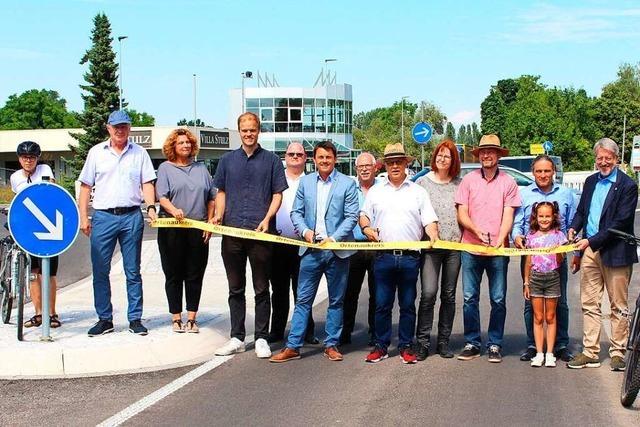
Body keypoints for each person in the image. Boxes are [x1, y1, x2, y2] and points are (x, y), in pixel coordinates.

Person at [269, 140, 359, 363]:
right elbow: (296, 213)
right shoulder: (306, 183)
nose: (325, 161)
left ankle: (331, 344)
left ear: (335, 159)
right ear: (315, 160)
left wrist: (335, 238)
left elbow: (351, 216)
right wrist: (306, 232)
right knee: (303, 300)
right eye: (321, 157)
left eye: (329, 157)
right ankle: (293, 346)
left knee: (337, 301)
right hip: (310, 250)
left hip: (337, 251)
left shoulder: (347, 184)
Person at [213, 112, 287, 359]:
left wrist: (267, 219)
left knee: (261, 289)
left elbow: (278, 194)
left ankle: (262, 338)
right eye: (244, 130)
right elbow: (221, 192)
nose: (248, 133)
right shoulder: (226, 161)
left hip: (260, 234)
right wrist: (218, 216)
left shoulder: (272, 161)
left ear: (258, 131)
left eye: (252, 129)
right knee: (235, 288)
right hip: (232, 233)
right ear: (239, 131)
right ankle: (236, 337)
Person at [78, 110, 157, 336]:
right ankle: (105, 319)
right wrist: (84, 216)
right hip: (103, 217)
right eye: (116, 127)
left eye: (124, 126)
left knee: (133, 270)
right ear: (108, 128)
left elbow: (148, 183)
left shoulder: (139, 153)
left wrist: (150, 207)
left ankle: (135, 318)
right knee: (100, 270)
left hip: (132, 216)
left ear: (129, 128)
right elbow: (85, 187)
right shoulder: (96, 153)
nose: (120, 130)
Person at [360, 143, 439, 365]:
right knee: (382, 304)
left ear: (406, 163)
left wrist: (433, 233)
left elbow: (429, 220)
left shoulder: (418, 191)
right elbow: (364, 215)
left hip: (410, 258)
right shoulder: (376, 190)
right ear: (384, 165)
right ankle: (381, 346)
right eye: (390, 162)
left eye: (399, 162)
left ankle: (406, 346)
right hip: (383, 256)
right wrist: (366, 229)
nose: (395, 166)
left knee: (407, 305)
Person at [568, 138, 638, 371]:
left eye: (608, 158)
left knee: (618, 305)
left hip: (615, 250)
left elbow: (621, 222)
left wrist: (590, 240)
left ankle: (618, 353)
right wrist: (573, 227)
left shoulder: (627, 186)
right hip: (590, 251)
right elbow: (582, 211)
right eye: (600, 158)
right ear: (595, 158)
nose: (604, 162)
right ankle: (590, 352)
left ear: (616, 159)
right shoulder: (590, 182)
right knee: (589, 303)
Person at [455, 134, 520, 363]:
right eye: (483, 152)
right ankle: (472, 342)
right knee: (469, 298)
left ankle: (494, 343)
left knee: (498, 299)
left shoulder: (508, 182)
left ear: (499, 155)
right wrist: (475, 231)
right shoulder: (468, 180)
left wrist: (499, 240)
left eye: (491, 151)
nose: (486, 155)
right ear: (479, 155)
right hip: (470, 248)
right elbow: (462, 213)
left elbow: (508, 215)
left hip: (497, 251)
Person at [512, 155, 576, 362]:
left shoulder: (566, 194)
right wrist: (517, 237)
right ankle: (534, 345)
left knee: (561, 303)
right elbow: (518, 223)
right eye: (539, 171)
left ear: (553, 171)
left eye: (547, 171)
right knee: (531, 302)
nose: (543, 175)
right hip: (531, 255)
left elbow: (573, 224)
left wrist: (572, 245)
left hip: (557, 259)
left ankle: (560, 345)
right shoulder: (524, 195)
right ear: (533, 172)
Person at [156, 129, 216, 333]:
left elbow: (211, 198)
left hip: (197, 229)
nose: (185, 146)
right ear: (173, 146)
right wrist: (173, 211)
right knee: (173, 274)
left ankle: (191, 318)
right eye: (181, 143)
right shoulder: (165, 168)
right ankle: (175, 317)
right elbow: (161, 196)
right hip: (172, 229)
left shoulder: (201, 169)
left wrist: (209, 222)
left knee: (195, 274)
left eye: (188, 143)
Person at [414, 139, 462, 360]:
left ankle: (443, 341)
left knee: (449, 295)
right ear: (434, 157)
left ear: (453, 160)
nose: (443, 159)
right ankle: (422, 342)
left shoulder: (459, 184)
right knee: (428, 294)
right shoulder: (422, 183)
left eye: (448, 156)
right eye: (440, 154)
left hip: (454, 246)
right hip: (431, 247)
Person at [268, 142, 317, 344]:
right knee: (278, 291)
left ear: (305, 158)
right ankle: (277, 331)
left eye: (299, 154)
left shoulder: (312, 181)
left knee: (303, 291)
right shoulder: (276, 180)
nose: (295, 156)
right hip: (278, 243)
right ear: (285, 157)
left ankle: (307, 331)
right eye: (291, 153)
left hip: (304, 245)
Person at [10, 141, 61, 329]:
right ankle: (38, 313)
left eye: (32, 157)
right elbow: (18, 201)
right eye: (24, 157)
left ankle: (52, 313)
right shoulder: (15, 177)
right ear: (19, 159)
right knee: (33, 272)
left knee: (50, 273)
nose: (28, 160)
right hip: (28, 229)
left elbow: (51, 192)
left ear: (37, 159)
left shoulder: (45, 169)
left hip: (48, 228)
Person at [340, 151, 379, 346]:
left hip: (376, 247)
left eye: (367, 166)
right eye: (360, 167)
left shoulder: (383, 189)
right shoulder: (348, 188)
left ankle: (375, 333)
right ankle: (345, 332)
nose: (364, 169)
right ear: (356, 170)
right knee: (349, 292)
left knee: (377, 292)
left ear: (375, 167)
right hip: (353, 246)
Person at [523, 201, 567, 367]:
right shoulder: (531, 237)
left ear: (553, 216)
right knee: (538, 317)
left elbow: (561, 260)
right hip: (535, 278)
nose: (544, 219)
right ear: (536, 217)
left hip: (553, 277)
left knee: (550, 316)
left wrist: (558, 251)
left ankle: (550, 353)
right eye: (541, 216)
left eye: (547, 216)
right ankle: (539, 353)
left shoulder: (559, 236)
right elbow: (528, 260)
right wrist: (526, 282)